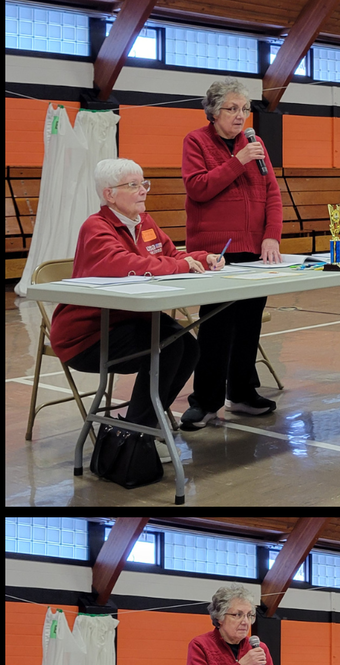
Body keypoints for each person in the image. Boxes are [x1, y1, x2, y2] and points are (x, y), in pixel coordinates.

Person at [50, 158, 224, 430]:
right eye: (133, 185)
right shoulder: (96, 227)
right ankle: (136, 432)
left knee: (188, 347)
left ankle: (143, 426)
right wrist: (181, 265)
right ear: (109, 194)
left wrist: (202, 258)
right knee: (169, 347)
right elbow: (123, 264)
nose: (143, 190)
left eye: (144, 183)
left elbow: (172, 255)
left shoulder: (144, 222)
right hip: (89, 334)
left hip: (132, 321)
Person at [180, 79, 284, 430]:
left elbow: (272, 193)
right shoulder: (196, 141)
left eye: (245, 109)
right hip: (216, 253)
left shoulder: (255, 143)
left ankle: (241, 393)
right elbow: (198, 188)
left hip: (254, 250)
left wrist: (271, 237)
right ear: (213, 111)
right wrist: (238, 161)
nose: (241, 116)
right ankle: (205, 402)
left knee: (248, 325)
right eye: (232, 109)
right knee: (217, 327)